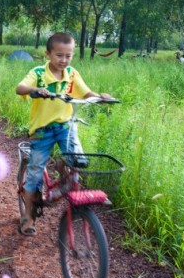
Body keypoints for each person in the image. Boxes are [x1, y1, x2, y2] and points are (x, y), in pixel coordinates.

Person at [15, 32, 113, 236]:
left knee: (78, 161)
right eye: (59, 55)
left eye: (68, 56)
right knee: (34, 175)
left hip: (65, 126)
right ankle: (28, 216)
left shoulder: (72, 74)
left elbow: (86, 93)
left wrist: (100, 97)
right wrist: (35, 89)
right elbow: (20, 88)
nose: (64, 60)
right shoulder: (39, 73)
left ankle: (64, 172)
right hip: (42, 131)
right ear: (48, 54)